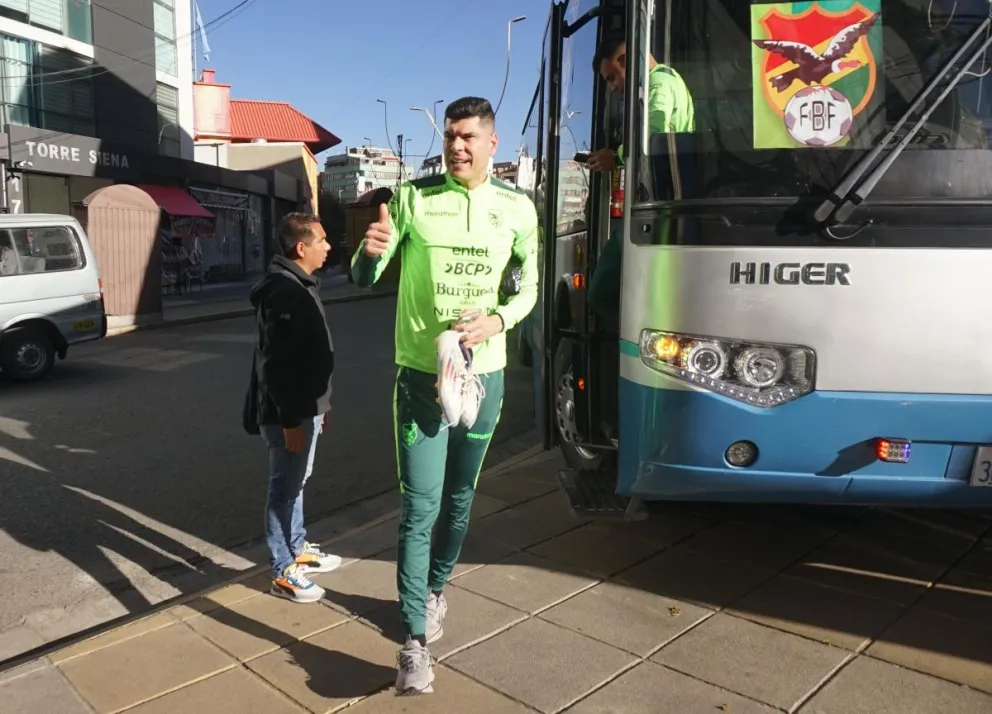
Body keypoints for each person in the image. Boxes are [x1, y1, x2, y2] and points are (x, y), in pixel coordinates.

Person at [351, 96, 538, 695]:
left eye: (468, 138)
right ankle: (413, 642)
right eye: (451, 136)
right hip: (421, 379)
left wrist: (500, 320)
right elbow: (364, 276)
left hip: (484, 377)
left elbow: (529, 284)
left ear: (491, 143)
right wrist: (369, 252)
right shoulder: (412, 199)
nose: (456, 147)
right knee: (419, 506)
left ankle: (434, 591)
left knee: (460, 499)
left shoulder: (516, 208)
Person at [245, 213, 342, 605]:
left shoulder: (300, 284)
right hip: (289, 413)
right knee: (283, 489)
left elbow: (310, 355)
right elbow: (276, 365)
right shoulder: (285, 292)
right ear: (301, 248)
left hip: (307, 408)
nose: (329, 246)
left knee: (297, 482)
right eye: (322, 240)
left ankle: (297, 546)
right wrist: (289, 421)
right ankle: (283, 568)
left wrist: (322, 405)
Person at [586, 32, 695, 174]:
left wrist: (615, 157)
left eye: (612, 78)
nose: (612, 88)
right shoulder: (668, 77)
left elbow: (650, 141)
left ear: (627, 60)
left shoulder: (658, 82)